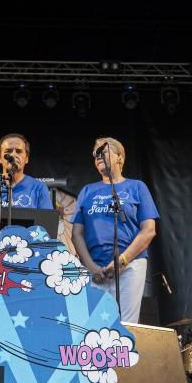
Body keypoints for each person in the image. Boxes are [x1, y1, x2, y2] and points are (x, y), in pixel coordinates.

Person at [72, 137, 158, 323]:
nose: (98, 156)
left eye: (103, 151)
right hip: (95, 268)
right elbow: (76, 233)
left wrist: (122, 260)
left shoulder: (136, 187)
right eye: (95, 154)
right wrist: (91, 266)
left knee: (126, 324)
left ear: (119, 157)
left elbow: (149, 230)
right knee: (95, 325)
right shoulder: (87, 191)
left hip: (130, 265)